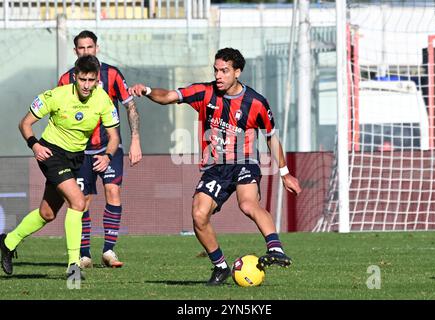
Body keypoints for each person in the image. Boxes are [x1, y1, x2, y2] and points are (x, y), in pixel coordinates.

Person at [128, 48, 301, 285]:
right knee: (199, 215)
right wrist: (146, 91)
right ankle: (220, 266)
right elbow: (168, 96)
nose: (219, 75)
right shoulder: (204, 92)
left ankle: (276, 249)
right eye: (216, 70)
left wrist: (285, 173)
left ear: (237, 72)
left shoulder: (256, 102)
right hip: (215, 167)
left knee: (248, 204)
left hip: (244, 162)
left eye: (225, 71)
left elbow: (271, 137)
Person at [0, 55, 120, 278]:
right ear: (75, 77)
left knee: (47, 213)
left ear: (97, 81)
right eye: (82, 79)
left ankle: (8, 241)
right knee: (78, 202)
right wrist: (34, 145)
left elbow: (114, 136)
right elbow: (24, 123)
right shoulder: (56, 95)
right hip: (51, 153)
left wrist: (108, 156)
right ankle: (73, 267)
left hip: (75, 158)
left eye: (91, 80)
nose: (86, 85)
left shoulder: (103, 100)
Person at [58, 30, 142, 268]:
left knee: (112, 191)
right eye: (81, 48)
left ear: (97, 48)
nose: (86, 51)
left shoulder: (112, 74)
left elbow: (130, 106)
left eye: (90, 47)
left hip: (109, 147)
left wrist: (135, 139)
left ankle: (109, 251)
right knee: (81, 200)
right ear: (75, 52)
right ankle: (84, 254)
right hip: (79, 151)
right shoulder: (66, 79)